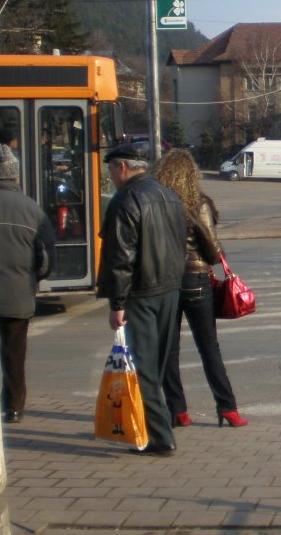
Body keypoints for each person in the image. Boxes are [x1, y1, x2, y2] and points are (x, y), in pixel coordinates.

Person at [97, 143, 187, 457]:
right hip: (169, 290)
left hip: (142, 293)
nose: (111, 176)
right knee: (158, 364)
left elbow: (120, 257)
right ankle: (152, 425)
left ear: (122, 167)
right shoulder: (167, 194)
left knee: (144, 368)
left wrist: (116, 303)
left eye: (111, 169)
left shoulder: (126, 199)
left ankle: (160, 438)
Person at [154, 149, 248, 429]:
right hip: (196, 280)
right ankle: (227, 407)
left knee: (169, 350)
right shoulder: (198, 203)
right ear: (192, 175)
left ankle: (177, 410)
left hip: (165, 282)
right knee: (209, 348)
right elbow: (211, 248)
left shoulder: (156, 203)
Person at [0, 144, 56, 424]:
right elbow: (46, 257)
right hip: (19, 296)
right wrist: (34, 278)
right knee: (14, 356)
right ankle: (12, 407)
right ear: (15, 177)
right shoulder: (32, 209)